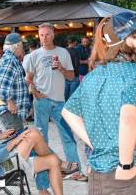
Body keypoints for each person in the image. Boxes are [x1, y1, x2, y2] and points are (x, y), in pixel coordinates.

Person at [62, 12, 136, 195]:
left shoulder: (93, 76)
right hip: (125, 173)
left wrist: (95, 142)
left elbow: (68, 112)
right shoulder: (132, 73)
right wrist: (126, 164)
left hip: (99, 172)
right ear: (129, 40)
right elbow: (128, 117)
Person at [0, 92, 64, 195]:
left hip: (4, 162)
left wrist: (14, 142)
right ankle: (61, 165)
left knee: (53, 160)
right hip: (2, 168)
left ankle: (57, 169)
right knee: (33, 133)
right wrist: (13, 143)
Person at [25, 23, 84, 191]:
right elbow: (28, 78)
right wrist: (34, 91)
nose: (44, 38)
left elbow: (72, 77)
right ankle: (43, 177)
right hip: (41, 102)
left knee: (68, 136)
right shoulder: (34, 55)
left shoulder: (63, 53)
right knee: (41, 139)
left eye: (47, 35)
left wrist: (62, 69)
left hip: (59, 102)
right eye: (41, 35)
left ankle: (75, 170)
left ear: (53, 35)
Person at [0, 33, 30, 129]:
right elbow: (1, 87)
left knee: (17, 140)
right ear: (17, 46)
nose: (23, 48)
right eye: (22, 45)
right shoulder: (10, 60)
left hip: (12, 112)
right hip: (9, 112)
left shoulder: (11, 59)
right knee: (16, 141)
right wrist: (9, 101)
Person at [64, 36, 81, 101]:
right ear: (75, 42)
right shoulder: (76, 51)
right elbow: (77, 64)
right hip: (74, 76)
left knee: (64, 97)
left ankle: (62, 110)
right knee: (72, 98)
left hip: (65, 76)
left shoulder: (64, 51)